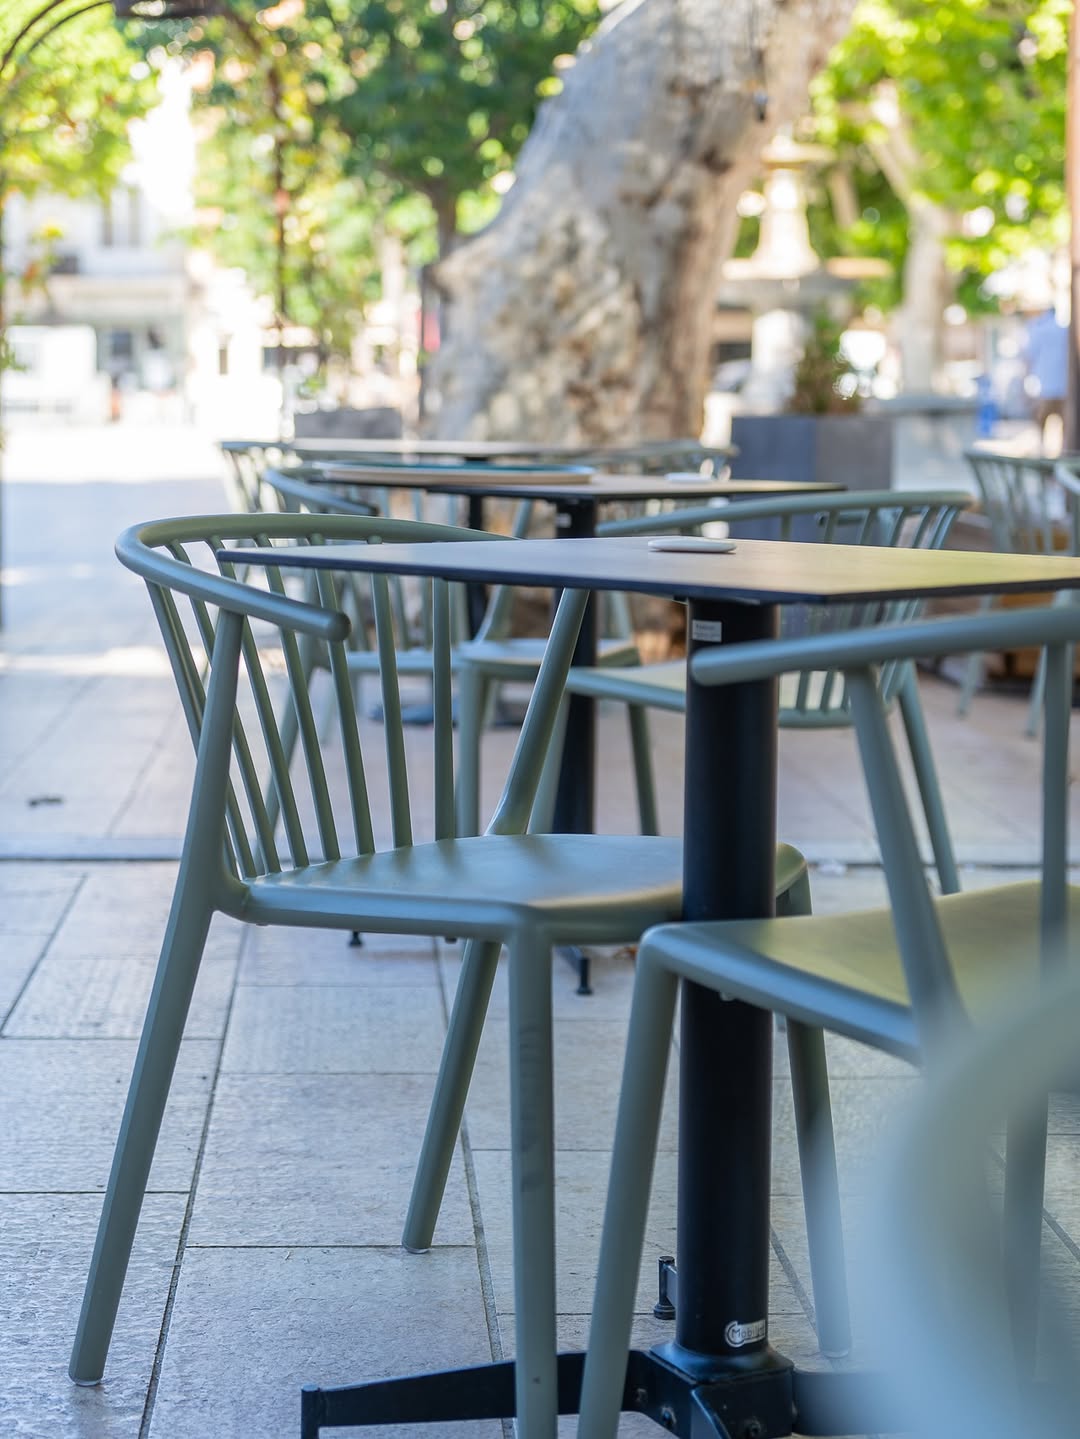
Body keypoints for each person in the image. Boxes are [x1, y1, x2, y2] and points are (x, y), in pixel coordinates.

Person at [1023, 305, 1068, 454]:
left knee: (1042, 424)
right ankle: (1061, 452)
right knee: (1064, 425)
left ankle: (1043, 451)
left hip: (1046, 386)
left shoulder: (1039, 330)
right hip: (1062, 386)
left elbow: (1029, 357)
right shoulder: (1063, 331)